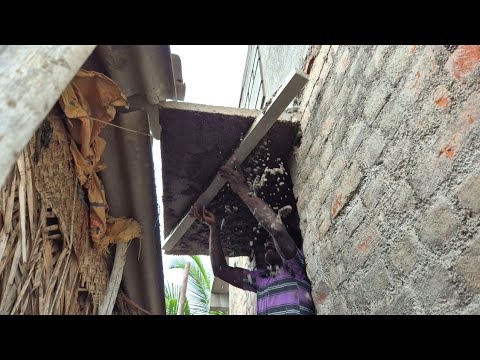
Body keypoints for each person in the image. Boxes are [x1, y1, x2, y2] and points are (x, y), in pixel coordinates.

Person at [190, 163, 315, 315]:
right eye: (268, 239)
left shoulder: (295, 268)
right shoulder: (259, 279)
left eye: (272, 240)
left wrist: (242, 190)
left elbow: (278, 231)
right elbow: (220, 270)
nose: (268, 242)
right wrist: (213, 228)